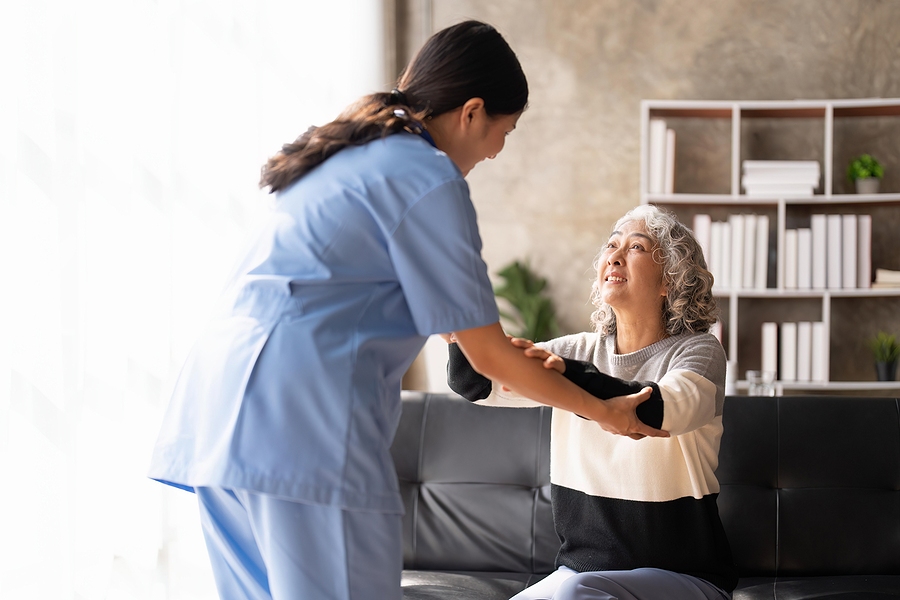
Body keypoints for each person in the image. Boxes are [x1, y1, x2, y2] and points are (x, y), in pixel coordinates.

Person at [148, 21, 666, 600]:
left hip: (218, 411)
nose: (497, 150)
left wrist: (474, 339)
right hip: (300, 421)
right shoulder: (426, 177)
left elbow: (364, 294)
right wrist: (607, 412)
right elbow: (490, 358)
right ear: (472, 112)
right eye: (505, 130)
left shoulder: (345, 154)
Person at [446, 204, 739, 600]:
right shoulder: (576, 350)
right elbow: (479, 384)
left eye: (636, 247)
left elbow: (663, 410)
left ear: (670, 279)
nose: (614, 256)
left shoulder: (699, 352)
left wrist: (566, 375)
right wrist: (457, 325)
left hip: (684, 577)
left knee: (578, 593)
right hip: (580, 576)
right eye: (611, 245)